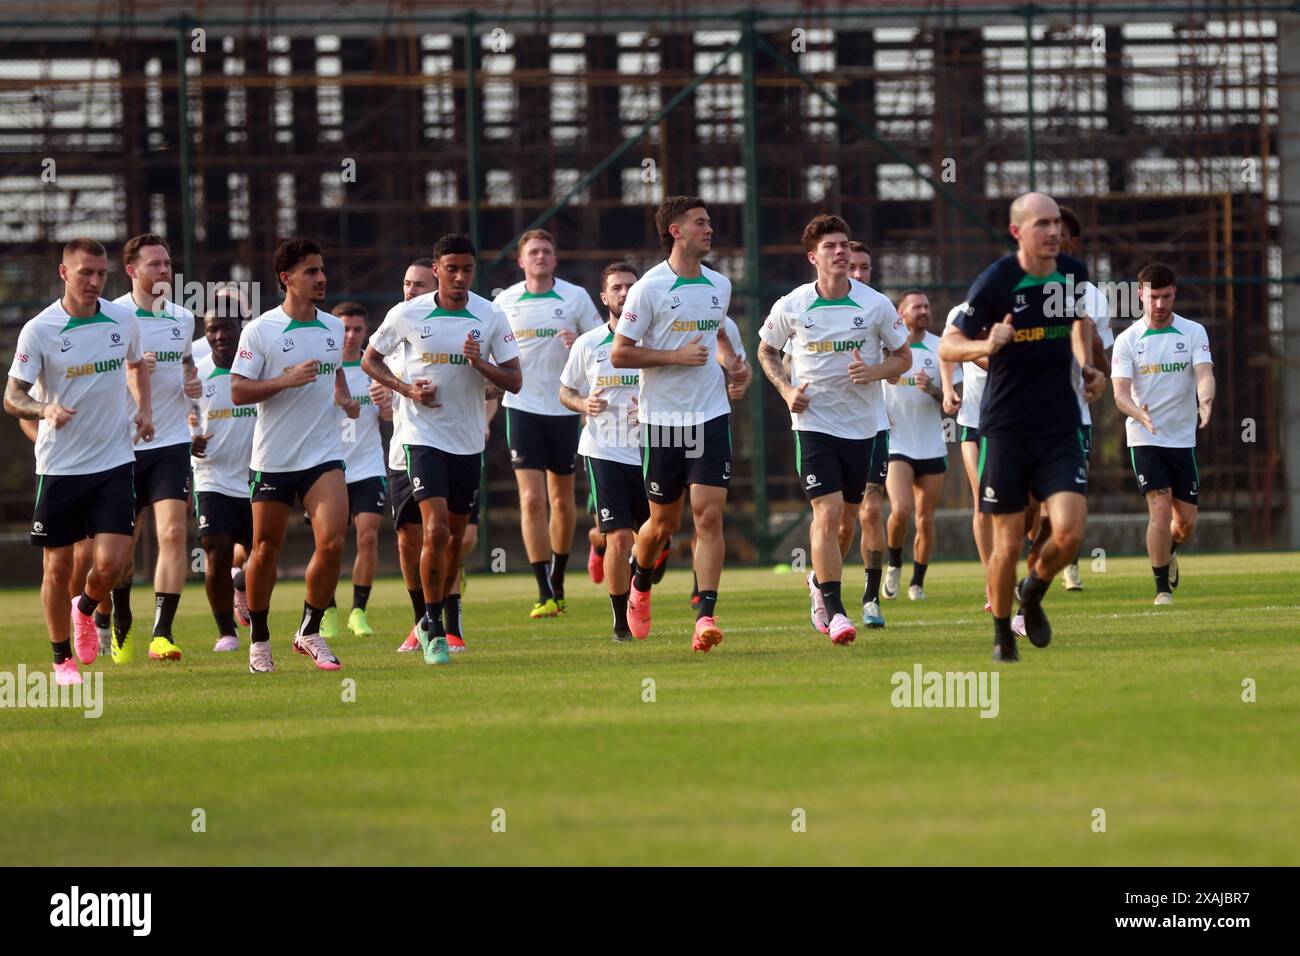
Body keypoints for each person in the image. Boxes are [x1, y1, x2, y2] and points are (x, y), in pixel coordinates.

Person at [940, 192, 1106, 662]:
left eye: (1056, 223)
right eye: (1042, 224)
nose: (1053, 232)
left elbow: (1076, 324)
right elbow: (949, 346)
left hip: (1060, 424)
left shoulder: (1073, 273)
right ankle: (1001, 634)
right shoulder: (996, 281)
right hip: (1006, 429)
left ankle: (1032, 591)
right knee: (1008, 543)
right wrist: (986, 344)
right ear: (1018, 232)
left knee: (1070, 532)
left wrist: (1086, 367)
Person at [362, 234, 522, 665]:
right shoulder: (408, 313)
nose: (459, 276)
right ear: (436, 269)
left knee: (452, 540)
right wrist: (406, 391)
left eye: (467, 269)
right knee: (430, 531)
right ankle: (432, 628)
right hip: (421, 438)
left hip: (468, 443)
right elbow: (369, 361)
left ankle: (436, 618)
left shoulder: (490, 316)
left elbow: (514, 380)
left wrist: (479, 363)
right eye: (451, 268)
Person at [4, 238, 154, 686]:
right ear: (64, 273)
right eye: (85, 272)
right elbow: (12, 397)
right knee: (57, 567)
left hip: (114, 461)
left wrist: (144, 408)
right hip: (60, 467)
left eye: (101, 273)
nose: (94, 281)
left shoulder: (122, 319)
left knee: (112, 563)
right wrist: (42, 410)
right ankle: (61, 660)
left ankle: (85, 609)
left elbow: (135, 365)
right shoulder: (40, 329)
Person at [757, 214, 909, 641]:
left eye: (844, 245)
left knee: (847, 522)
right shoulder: (793, 304)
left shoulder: (875, 304)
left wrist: (875, 370)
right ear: (813, 257)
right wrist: (787, 391)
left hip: (863, 427)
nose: (841, 252)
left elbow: (903, 359)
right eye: (831, 247)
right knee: (824, 514)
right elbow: (766, 351)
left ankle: (817, 583)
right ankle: (839, 611)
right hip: (813, 424)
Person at [611, 195, 746, 652]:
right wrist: (675, 356)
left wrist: (733, 364)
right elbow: (620, 352)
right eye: (701, 223)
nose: (710, 230)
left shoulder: (720, 285)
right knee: (662, 524)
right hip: (662, 421)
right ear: (675, 231)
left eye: (709, 223)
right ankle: (641, 581)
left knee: (708, 515)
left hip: (710, 415)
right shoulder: (648, 288)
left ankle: (705, 615)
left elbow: (718, 333)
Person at [230, 238, 359, 674]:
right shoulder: (261, 330)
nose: (321, 278)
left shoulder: (333, 328)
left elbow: (333, 369)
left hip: (323, 454)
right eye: (311, 272)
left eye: (322, 270)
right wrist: (284, 381)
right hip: (273, 460)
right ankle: (260, 639)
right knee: (264, 550)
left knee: (334, 541)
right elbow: (238, 389)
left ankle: (309, 630)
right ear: (286, 279)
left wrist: (343, 396)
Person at [494, 230, 602, 617]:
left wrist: (581, 341)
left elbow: (602, 342)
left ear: (555, 260)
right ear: (521, 261)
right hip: (522, 408)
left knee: (561, 499)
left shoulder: (574, 297)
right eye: (533, 252)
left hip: (564, 408)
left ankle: (558, 578)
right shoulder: (504, 301)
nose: (540, 256)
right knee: (531, 498)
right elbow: (492, 350)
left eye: (546, 251)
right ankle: (543, 590)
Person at [111, 233, 203, 663]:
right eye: (155, 264)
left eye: (167, 263)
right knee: (119, 549)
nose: (164, 271)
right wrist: (129, 371)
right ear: (132, 271)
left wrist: (191, 385)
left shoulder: (182, 318)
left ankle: (161, 633)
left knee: (172, 533)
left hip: (170, 443)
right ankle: (120, 616)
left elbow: (184, 366)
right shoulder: (111, 318)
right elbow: (96, 382)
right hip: (118, 449)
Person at [1110, 262, 1214, 604]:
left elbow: (1203, 373)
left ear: (1175, 294)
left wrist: (1206, 400)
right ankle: (1161, 590)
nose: (1159, 304)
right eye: (1153, 297)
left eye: (1166, 296)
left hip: (1182, 438)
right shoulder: (1127, 341)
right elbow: (1120, 393)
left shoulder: (1194, 332)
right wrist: (1139, 413)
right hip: (1145, 436)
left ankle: (1169, 550)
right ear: (1140, 294)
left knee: (1185, 523)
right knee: (1160, 508)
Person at [561, 262, 647, 642]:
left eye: (631, 286)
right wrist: (583, 405)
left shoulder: (654, 339)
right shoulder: (587, 343)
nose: (625, 293)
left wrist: (650, 407)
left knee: (656, 538)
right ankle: (620, 623)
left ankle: (639, 590)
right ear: (604, 297)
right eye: (617, 287)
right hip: (604, 448)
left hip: (652, 448)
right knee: (619, 537)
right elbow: (565, 391)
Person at [316, 302, 391, 639]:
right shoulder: (321, 366)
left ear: (366, 332)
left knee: (368, 535)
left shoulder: (375, 366)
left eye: (357, 329)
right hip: (327, 466)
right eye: (344, 328)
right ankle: (327, 610)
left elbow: (391, 418)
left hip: (367, 465)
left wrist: (386, 403)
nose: (350, 335)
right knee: (328, 543)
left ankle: (358, 611)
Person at [191, 310, 257, 651]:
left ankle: (242, 584)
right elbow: (180, 415)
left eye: (226, 328)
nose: (220, 335)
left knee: (261, 554)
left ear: (239, 329)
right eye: (212, 330)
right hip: (212, 478)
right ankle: (226, 632)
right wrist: (191, 438)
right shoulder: (196, 375)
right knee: (215, 551)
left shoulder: (257, 369)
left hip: (257, 475)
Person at [883, 290, 953, 602]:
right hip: (896, 443)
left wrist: (934, 389)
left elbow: (953, 403)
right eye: (916, 307)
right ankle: (894, 563)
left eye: (926, 305)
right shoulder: (886, 347)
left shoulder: (941, 348)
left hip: (932, 446)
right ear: (901, 313)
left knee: (925, 519)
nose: (923, 311)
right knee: (901, 510)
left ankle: (917, 583)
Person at [940, 300, 992, 610]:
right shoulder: (961, 313)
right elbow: (948, 349)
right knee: (983, 503)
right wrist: (947, 388)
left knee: (1031, 510)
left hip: (1017, 423)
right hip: (974, 424)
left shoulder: (1024, 310)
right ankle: (992, 578)